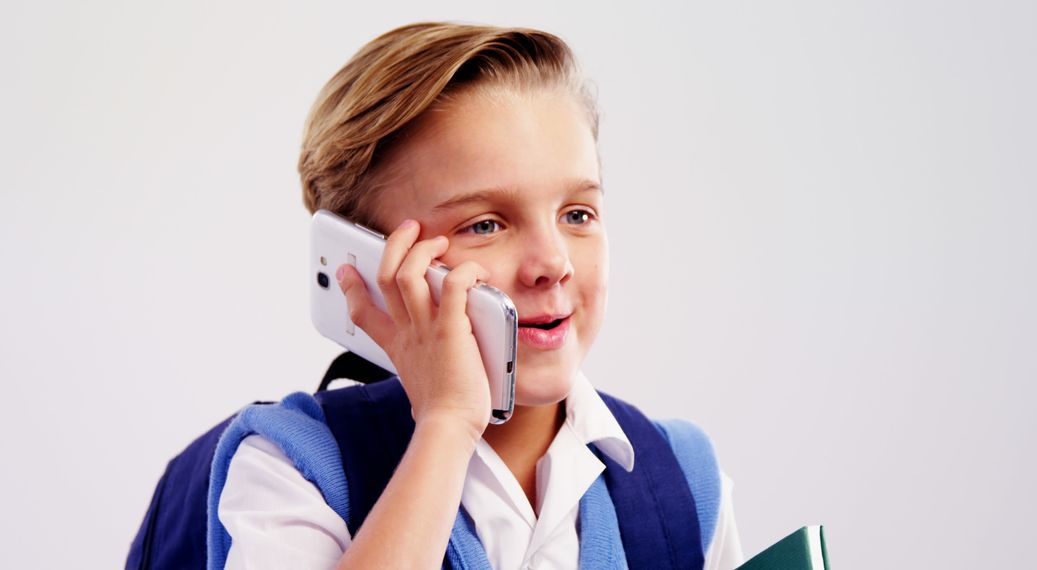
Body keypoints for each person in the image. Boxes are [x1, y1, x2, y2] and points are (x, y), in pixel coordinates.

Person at [215, 21, 745, 569]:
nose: (553, 264)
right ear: (370, 266)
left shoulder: (685, 483)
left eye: (578, 214)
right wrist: (446, 423)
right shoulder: (292, 468)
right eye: (486, 224)